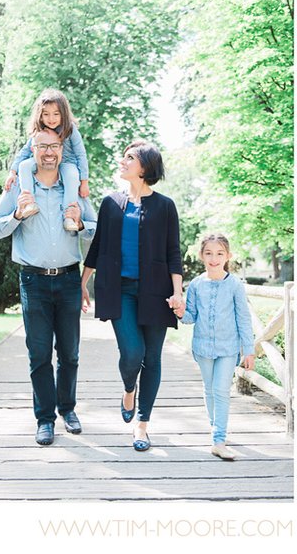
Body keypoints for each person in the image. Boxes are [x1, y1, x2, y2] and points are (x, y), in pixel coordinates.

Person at [0, 126, 97, 446]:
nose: (49, 152)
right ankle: (45, 419)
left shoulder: (74, 189)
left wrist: (79, 223)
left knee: (70, 353)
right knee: (39, 354)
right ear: (32, 150)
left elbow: (95, 229)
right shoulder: (19, 187)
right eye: (42, 147)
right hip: (32, 280)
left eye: (55, 146)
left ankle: (68, 410)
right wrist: (18, 215)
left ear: (62, 150)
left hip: (67, 279)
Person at [81, 140, 183, 452]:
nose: (123, 162)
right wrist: (83, 282)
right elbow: (97, 246)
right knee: (132, 353)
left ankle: (142, 425)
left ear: (145, 167)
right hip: (119, 289)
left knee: (152, 358)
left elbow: (173, 253)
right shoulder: (110, 202)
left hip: (157, 292)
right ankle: (129, 388)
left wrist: (178, 292)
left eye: (130, 158)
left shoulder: (165, 206)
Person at [175, 233, 255, 460]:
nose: (214, 258)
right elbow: (190, 317)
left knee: (221, 391)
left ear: (228, 256)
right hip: (202, 347)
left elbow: (244, 318)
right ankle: (216, 428)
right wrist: (180, 312)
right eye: (209, 253)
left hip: (228, 348)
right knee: (209, 389)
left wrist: (248, 349)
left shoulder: (235, 285)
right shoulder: (196, 285)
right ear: (201, 255)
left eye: (220, 253)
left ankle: (219, 439)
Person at [4, 89, 89, 229]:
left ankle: (69, 217)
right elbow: (25, 151)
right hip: (43, 162)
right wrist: (12, 172)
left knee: (72, 175)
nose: (51, 119)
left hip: (67, 163)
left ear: (64, 114)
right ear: (40, 116)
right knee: (24, 165)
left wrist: (84, 181)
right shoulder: (39, 132)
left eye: (56, 114)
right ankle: (29, 203)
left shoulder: (70, 129)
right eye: (46, 114)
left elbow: (81, 154)